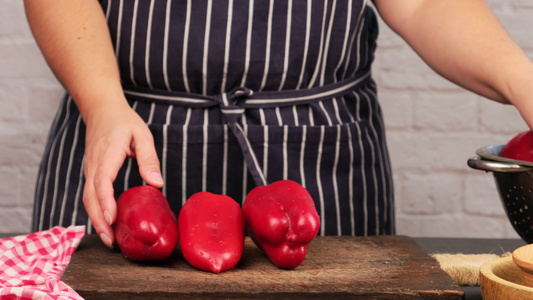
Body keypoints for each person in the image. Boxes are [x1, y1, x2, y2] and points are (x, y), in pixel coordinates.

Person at [24, 0, 533, 248]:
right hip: (128, 138)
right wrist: (101, 102)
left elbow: (422, 4)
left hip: (319, 162)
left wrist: (520, 77)